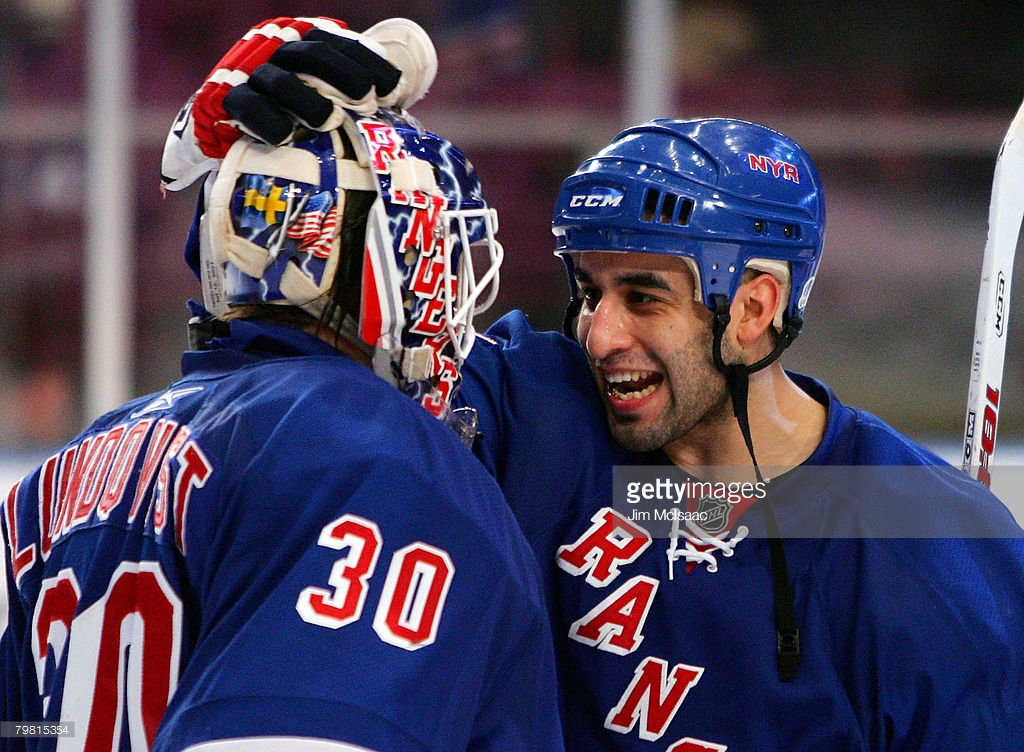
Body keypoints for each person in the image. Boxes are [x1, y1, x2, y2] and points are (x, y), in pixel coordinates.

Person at [159, 18, 1024, 752]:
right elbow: (297, 399)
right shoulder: (531, 410)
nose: (600, 335)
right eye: (590, 293)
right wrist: (243, 153)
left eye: (643, 296)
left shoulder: (925, 542)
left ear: (755, 307)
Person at [0, 18, 564, 752]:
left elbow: (30, 727)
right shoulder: (373, 452)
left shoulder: (59, 478)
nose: (451, 289)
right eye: (436, 251)